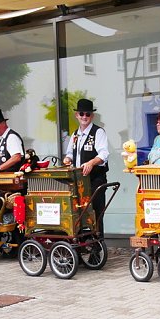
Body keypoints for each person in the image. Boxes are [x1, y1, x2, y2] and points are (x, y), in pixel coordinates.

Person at [63, 99, 109, 236]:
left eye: (87, 114)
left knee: (96, 213)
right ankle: (81, 247)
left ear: (92, 116)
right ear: (76, 115)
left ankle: (96, 249)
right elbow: (70, 153)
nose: (84, 117)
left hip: (95, 180)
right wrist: (67, 159)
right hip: (80, 181)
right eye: (82, 114)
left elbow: (104, 154)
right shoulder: (75, 134)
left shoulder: (98, 132)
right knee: (80, 214)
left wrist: (91, 162)